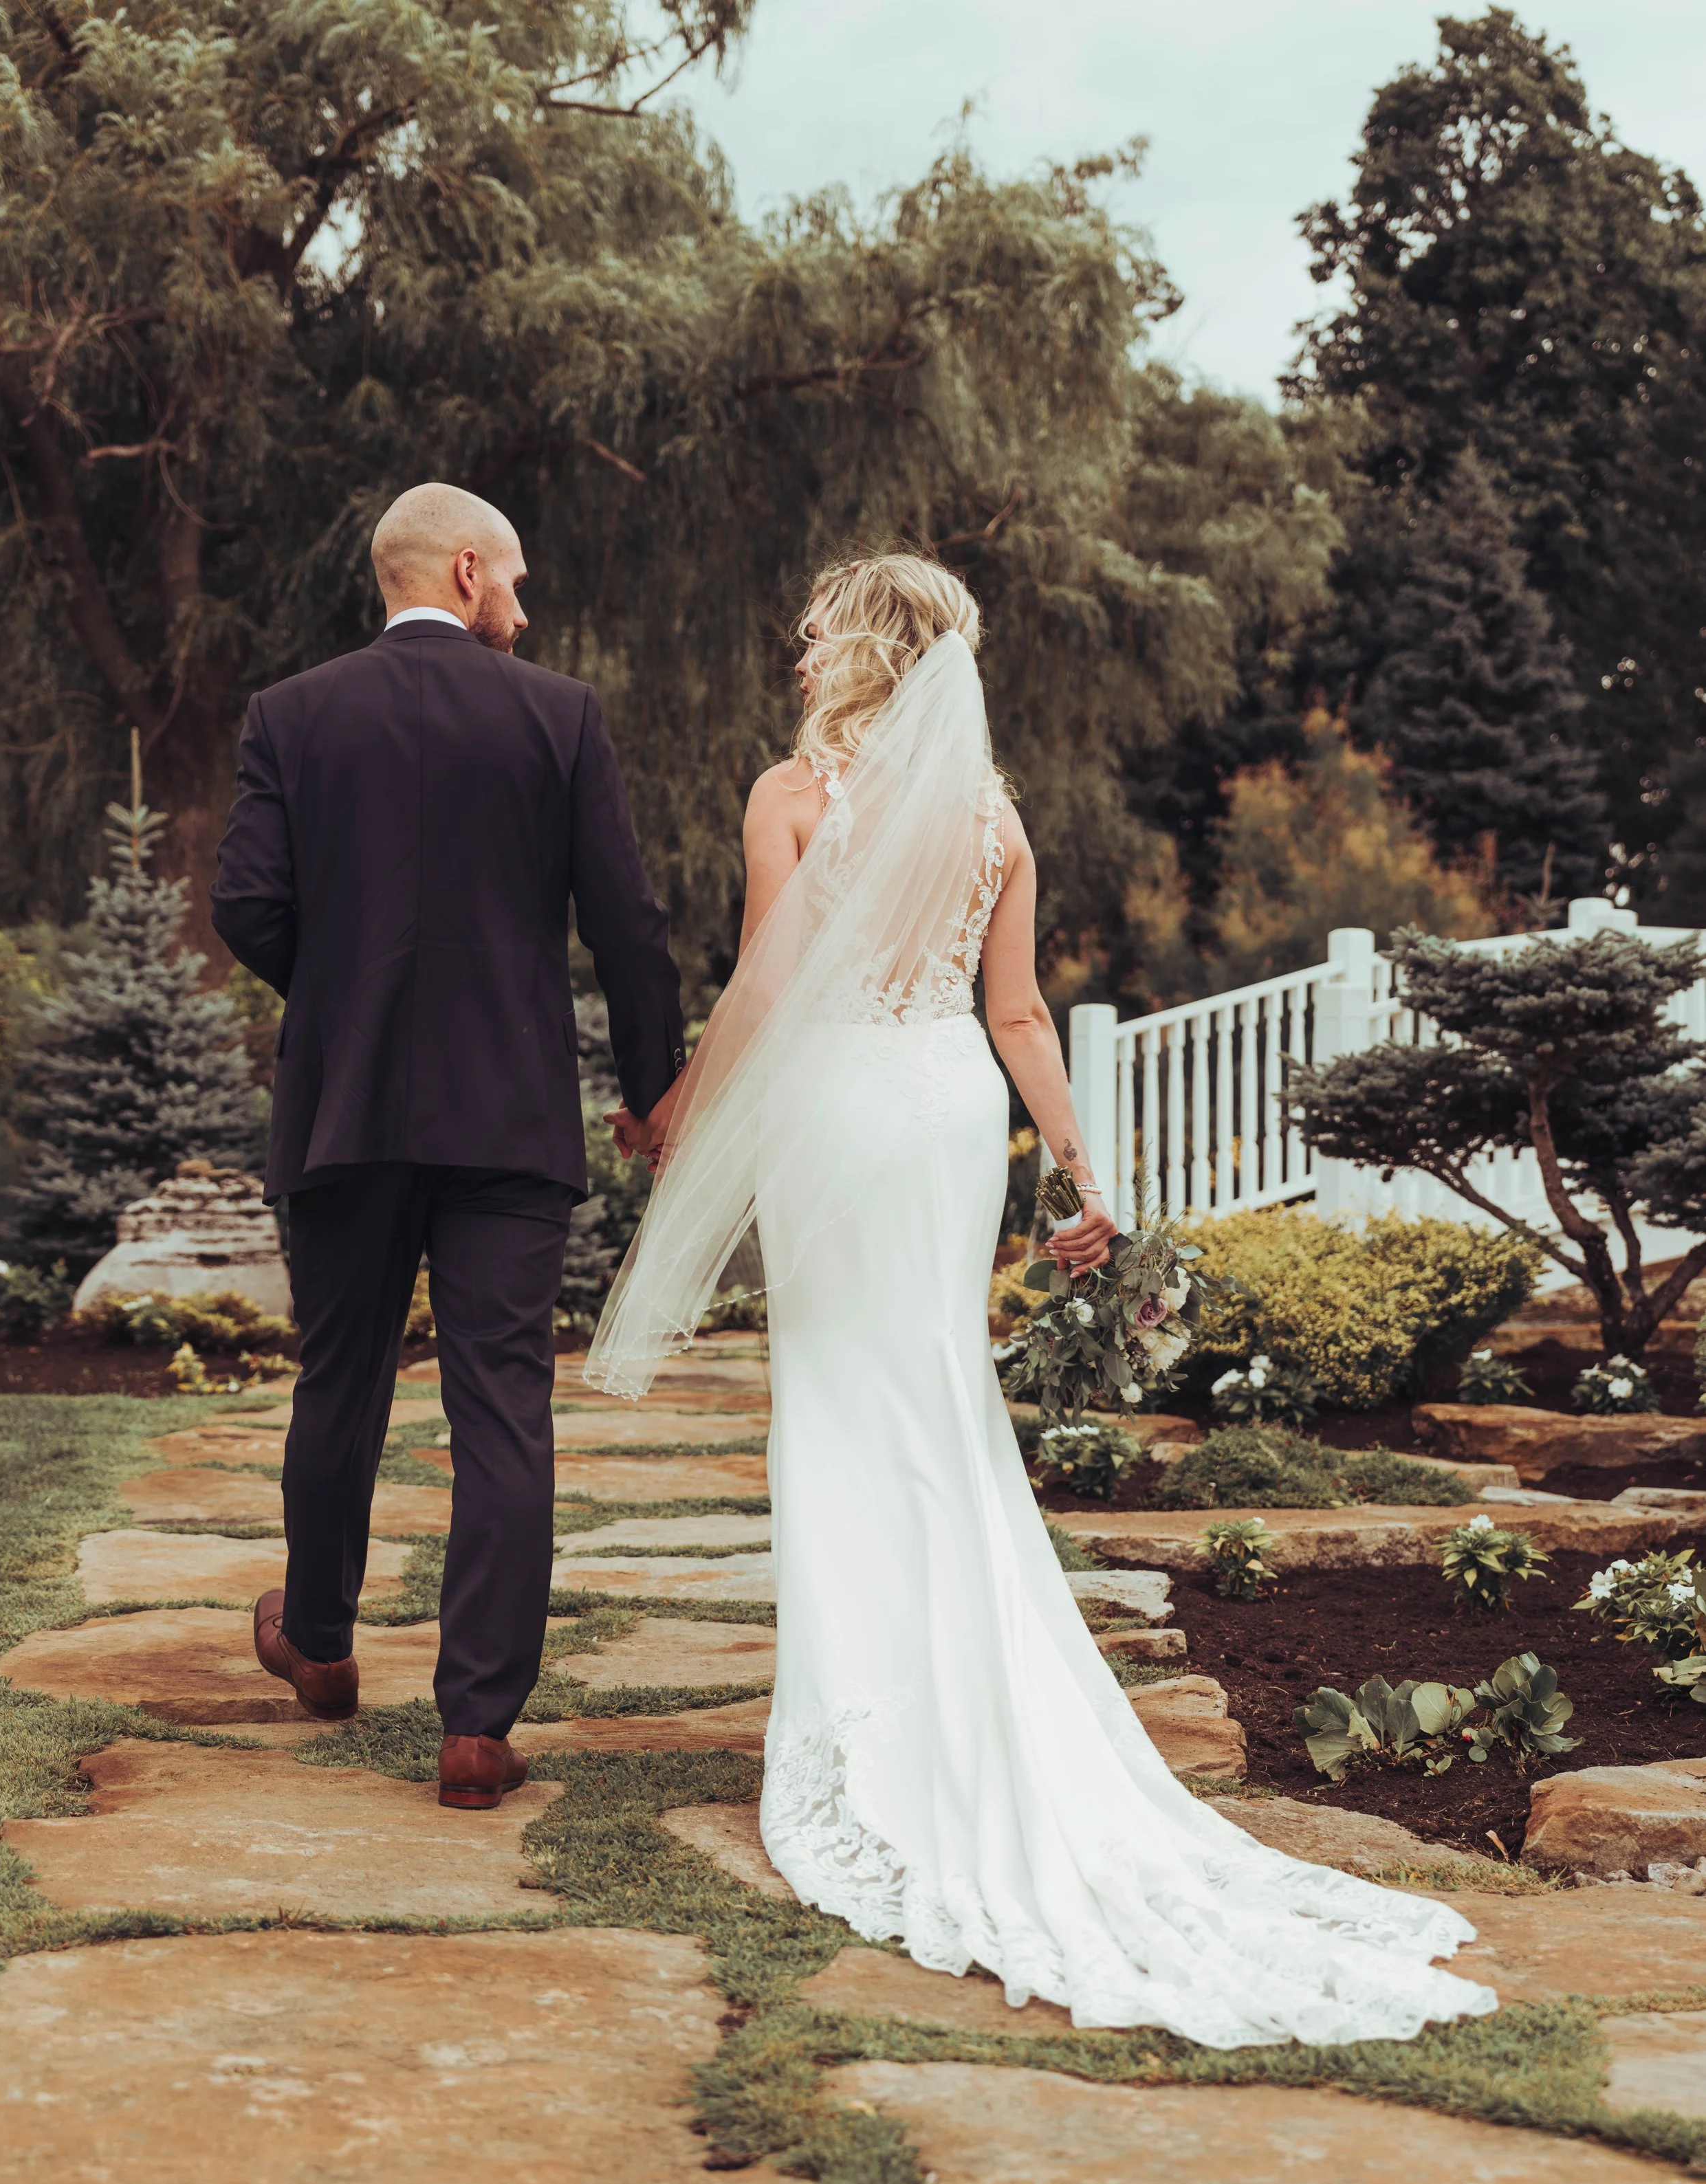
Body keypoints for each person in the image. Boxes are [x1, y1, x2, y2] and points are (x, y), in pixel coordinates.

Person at [589, 553, 1496, 2044]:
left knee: (841, 1398)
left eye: (815, 631)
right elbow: (1012, 1012)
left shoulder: (793, 797)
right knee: (935, 1390)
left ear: (866, 653)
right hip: (949, 1111)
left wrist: (684, 1107)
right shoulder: (992, 817)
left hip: (838, 1104)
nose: (799, 650)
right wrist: (1083, 1178)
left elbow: (764, 981)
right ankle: (950, 1687)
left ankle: (858, 1726)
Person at [211, 483, 684, 1808]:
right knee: (502, 1406)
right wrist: (655, 1091)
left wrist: (347, 991)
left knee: (340, 1378)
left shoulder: (289, 715)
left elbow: (244, 902)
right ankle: (477, 1725)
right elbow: (629, 925)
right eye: (516, 586)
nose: (523, 616)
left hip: (345, 1110)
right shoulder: (560, 717)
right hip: (510, 1112)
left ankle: (316, 1638)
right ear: (465, 569)